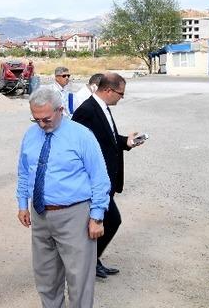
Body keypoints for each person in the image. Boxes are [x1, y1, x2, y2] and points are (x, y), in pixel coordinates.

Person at [16, 86, 110, 308]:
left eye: (46, 119)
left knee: (79, 278)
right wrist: (22, 204)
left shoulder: (82, 136)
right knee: (45, 275)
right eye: (35, 119)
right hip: (40, 215)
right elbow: (24, 171)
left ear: (60, 110)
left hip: (75, 215)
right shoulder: (30, 135)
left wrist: (97, 216)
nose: (41, 124)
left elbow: (100, 178)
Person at [72, 73, 143, 279]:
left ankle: (91, 261)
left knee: (104, 222)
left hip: (105, 181)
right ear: (109, 90)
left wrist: (126, 142)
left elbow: (107, 140)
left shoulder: (102, 108)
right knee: (111, 220)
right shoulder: (86, 111)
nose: (122, 97)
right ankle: (87, 262)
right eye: (121, 93)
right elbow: (77, 147)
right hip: (94, 182)